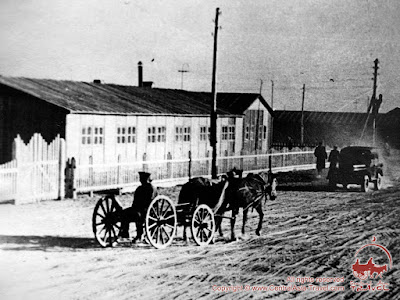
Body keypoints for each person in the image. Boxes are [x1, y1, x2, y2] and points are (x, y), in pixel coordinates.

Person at [118, 172, 158, 243]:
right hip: (138, 209)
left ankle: (139, 235)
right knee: (124, 213)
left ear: (148, 179)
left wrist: (139, 209)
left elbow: (151, 202)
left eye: (143, 179)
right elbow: (135, 202)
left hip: (148, 210)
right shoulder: (139, 188)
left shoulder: (151, 189)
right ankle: (124, 233)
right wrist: (133, 209)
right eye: (141, 179)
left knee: (137, 215)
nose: (141, 180)